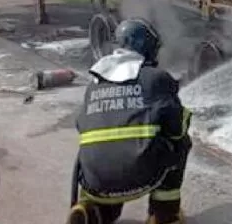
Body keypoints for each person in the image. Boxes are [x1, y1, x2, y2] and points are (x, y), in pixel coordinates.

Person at [68, 18, 192, 224]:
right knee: (181, 143)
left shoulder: (95, 83)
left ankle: (91, 211)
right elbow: (177, 128)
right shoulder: (157, 78)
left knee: (97, 147)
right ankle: (164, 215)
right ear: (147, 47)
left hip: (96, 181)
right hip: (142, 177)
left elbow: (81, 124)